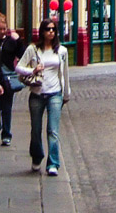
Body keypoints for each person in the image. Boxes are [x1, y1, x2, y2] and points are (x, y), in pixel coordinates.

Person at [20, 19, 71, 176]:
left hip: (54, 94)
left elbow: (65, 73)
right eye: (48, 29)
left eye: (53, 29)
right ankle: (37, 156)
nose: (51, 32)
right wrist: (32, 71)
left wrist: (66, 93)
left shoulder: (61, 51)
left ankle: (53, 163)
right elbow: (19, 67)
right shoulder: (33, 49)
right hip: (37, 94)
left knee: (52, 130)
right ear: (42, 31)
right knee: (36, 129)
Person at [0, 15, 24, 146]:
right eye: (0, 29)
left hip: (8, 79)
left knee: (6, 107)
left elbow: (23, 53)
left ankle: (6, 134)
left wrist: (18, 40)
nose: (2, 31)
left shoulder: (11, 42)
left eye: (4, 29)